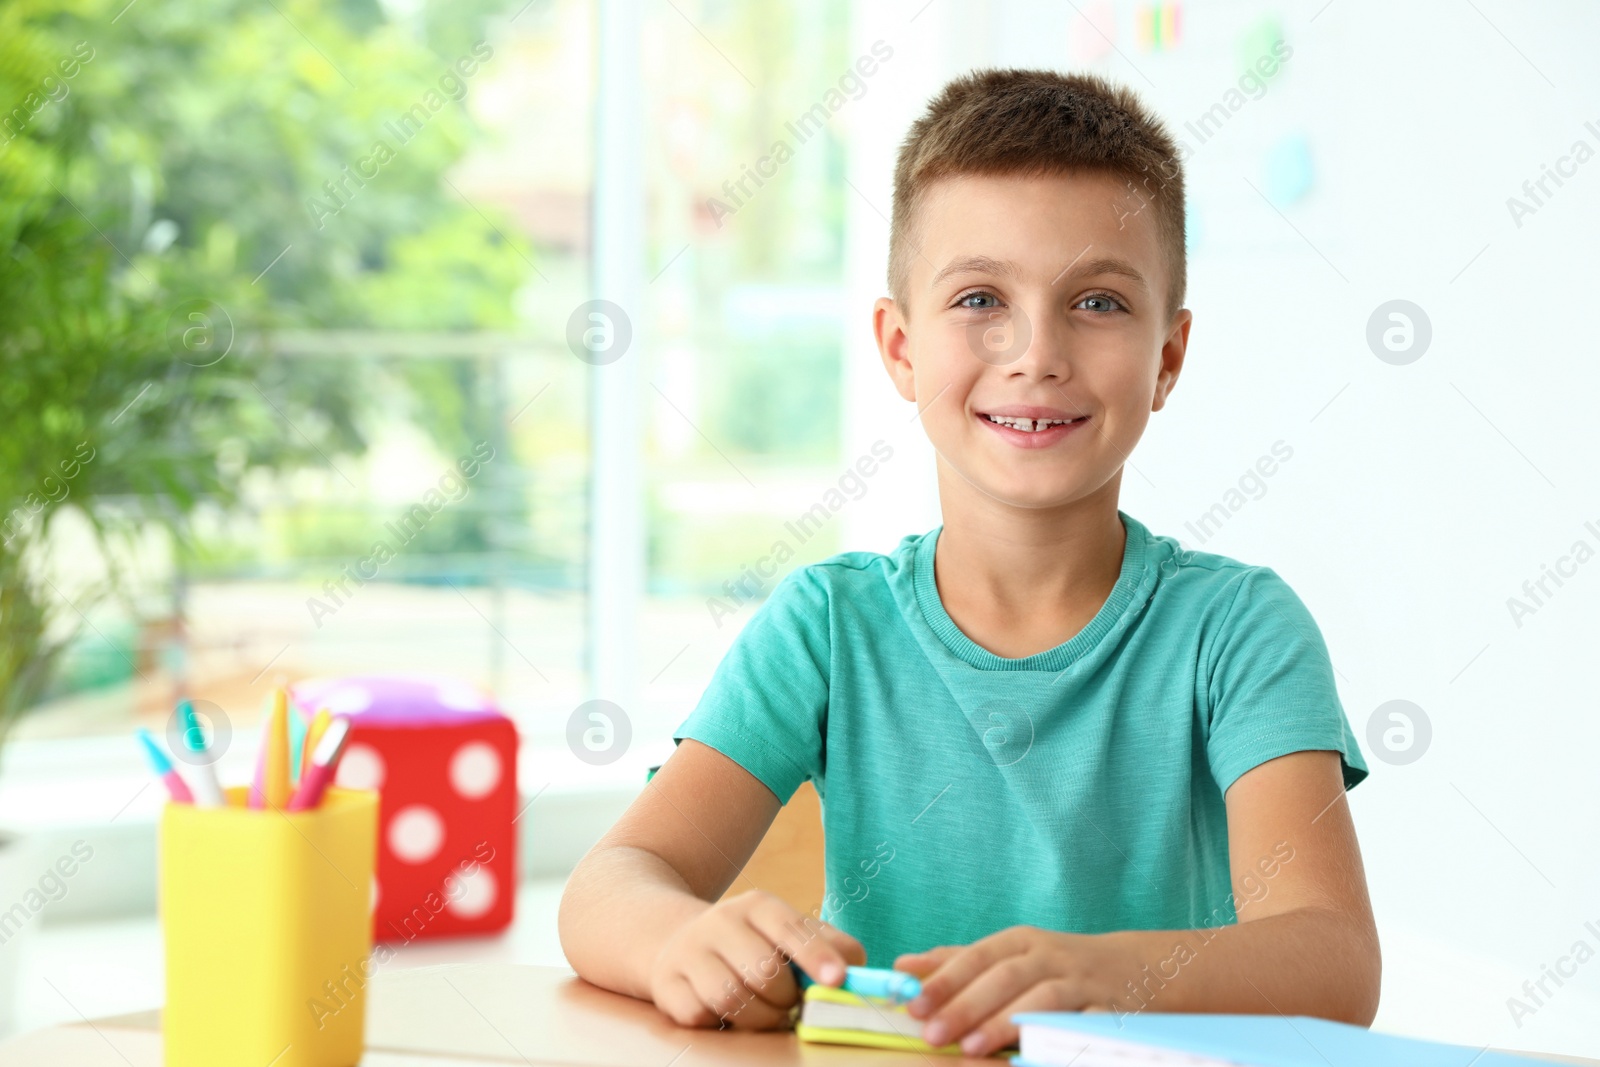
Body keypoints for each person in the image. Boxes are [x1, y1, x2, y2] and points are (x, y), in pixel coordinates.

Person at [558, 67, 1379, 1058]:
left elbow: (1334, 961)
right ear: (900, 347)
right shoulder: (827, 623)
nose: (1035, 351)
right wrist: (681, 937)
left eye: (1098, 301)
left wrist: (1096, 976)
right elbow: (611, 882)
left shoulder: (1241, 630)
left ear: (1167, 357)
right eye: (981, 296)